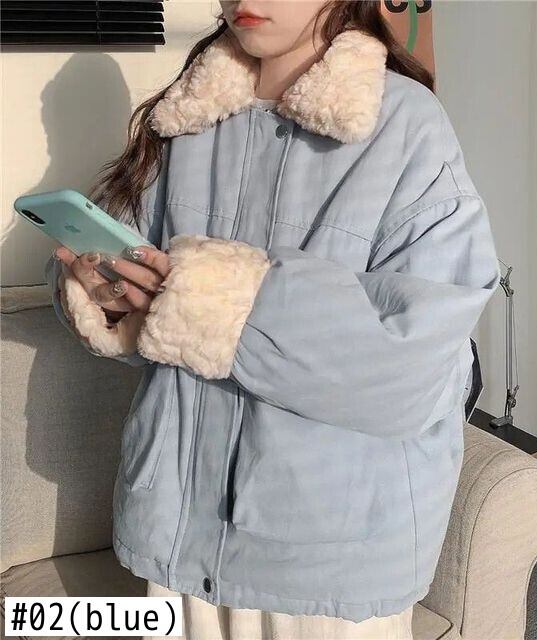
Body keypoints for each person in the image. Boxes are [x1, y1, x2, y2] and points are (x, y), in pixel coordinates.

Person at [45, 1, 500, 638]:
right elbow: (134, 274)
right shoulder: (187, 118)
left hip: (326, 554)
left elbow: (411, 366)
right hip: (176, 528)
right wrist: (107, 294)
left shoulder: (407, 126)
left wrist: (206, 303)